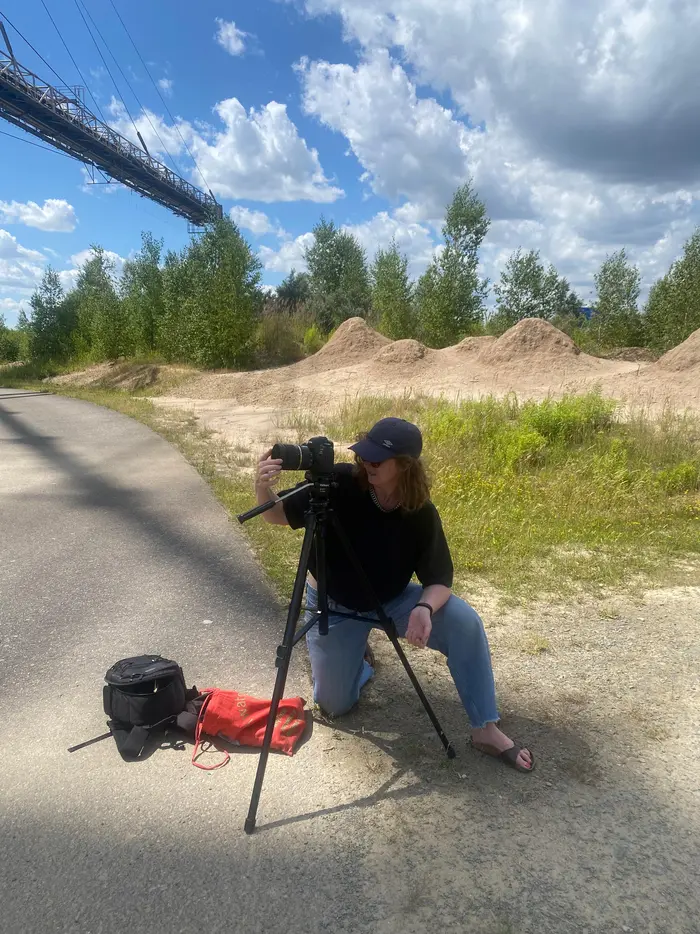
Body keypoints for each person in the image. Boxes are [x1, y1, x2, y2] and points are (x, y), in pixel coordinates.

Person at [254, 416, 534, 773]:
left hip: (393, 599)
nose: (366, 463)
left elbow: (439, 579)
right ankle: (362, 663)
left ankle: (486, 729)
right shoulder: (338, 483)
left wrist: (423, 608)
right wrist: (262, 487)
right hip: (334, 604)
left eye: (376, 459)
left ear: (404, 465)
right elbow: (275, 515)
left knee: (464, 622)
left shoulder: (420, 512)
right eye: (364, 455)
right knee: (334, 704)